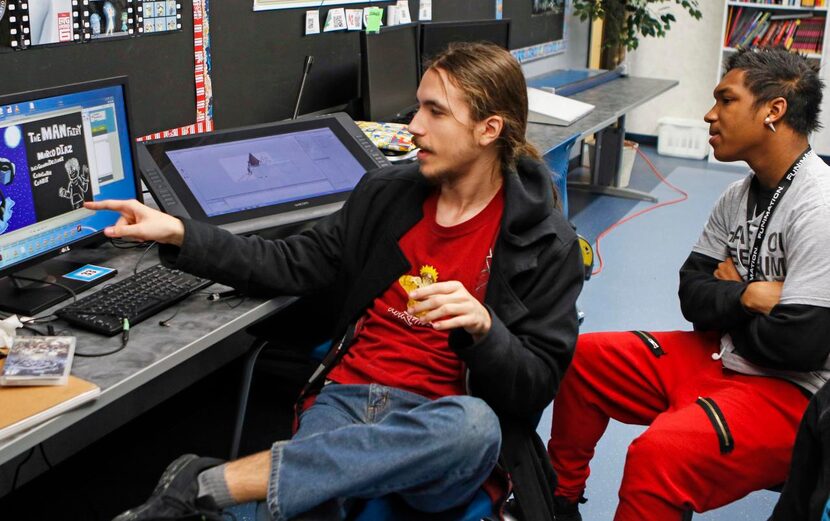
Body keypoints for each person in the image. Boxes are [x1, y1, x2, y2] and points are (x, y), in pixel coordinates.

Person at [92, 42, 584, 521]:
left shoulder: (544, 243)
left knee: (476, 427)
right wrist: (180, 232)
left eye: (435, 112)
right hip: (349, 397)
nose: (412, 127)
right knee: (310, 500)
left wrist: (484, 329)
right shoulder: (387, 196)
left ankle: (211, 485)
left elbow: (534, 386)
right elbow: (288, 261)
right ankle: (236, 492)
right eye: (417, 108)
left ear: (488, 129)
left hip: (440, 425)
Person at [547, 47, 830, 521]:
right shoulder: (736, 195)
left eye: (726, 100)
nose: (709, 113)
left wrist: (727, 301)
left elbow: (799, 344)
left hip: (791, 392)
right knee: (583, 360)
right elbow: (690, 294)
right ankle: (558, 501)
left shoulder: (818, 207)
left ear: (773, 111)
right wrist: (749, 296)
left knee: (658, 456)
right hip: (720, 353)